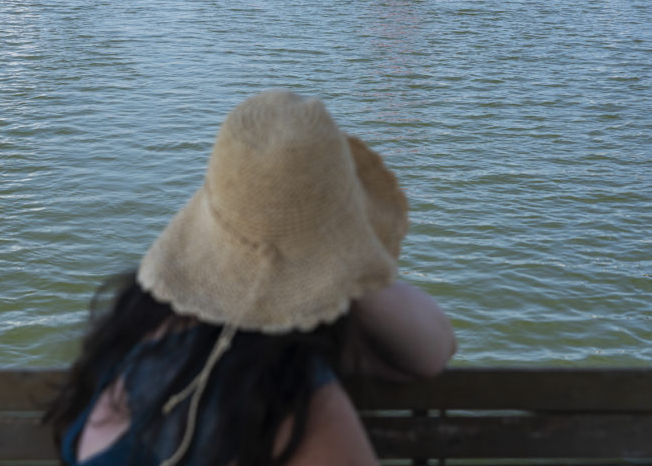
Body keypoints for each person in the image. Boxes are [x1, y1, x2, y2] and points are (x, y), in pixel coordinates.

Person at [46, 91, 456, 466]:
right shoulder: (295, 401)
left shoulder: (138, 328)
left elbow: (431, 350)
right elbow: (434, 351)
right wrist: (348, 259)